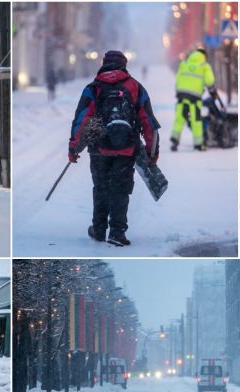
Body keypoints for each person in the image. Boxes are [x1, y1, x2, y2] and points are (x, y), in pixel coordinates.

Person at [69, 50, 160, 247]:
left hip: (99, 148)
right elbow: (148, 121)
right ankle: (117, 232)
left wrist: (73, 148)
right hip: (126, 149)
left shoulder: (93, 88)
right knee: (120, 189)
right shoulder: (135, 87)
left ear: (104, 63)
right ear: (124, 65)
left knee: (101, 188)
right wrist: (153, 153)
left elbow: (81, 118)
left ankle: (99, 229)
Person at [170, 47, 217, 152]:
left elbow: (178, 79)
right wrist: (213, 93)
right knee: (196, 120)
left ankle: (174, 140)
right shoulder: (204, 66)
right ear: (204, 56)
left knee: (180, 118)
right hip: (194, 98)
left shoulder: (184, 63)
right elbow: (210, 81)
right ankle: (198, 144)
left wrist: (179, 92)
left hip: (181, 95)